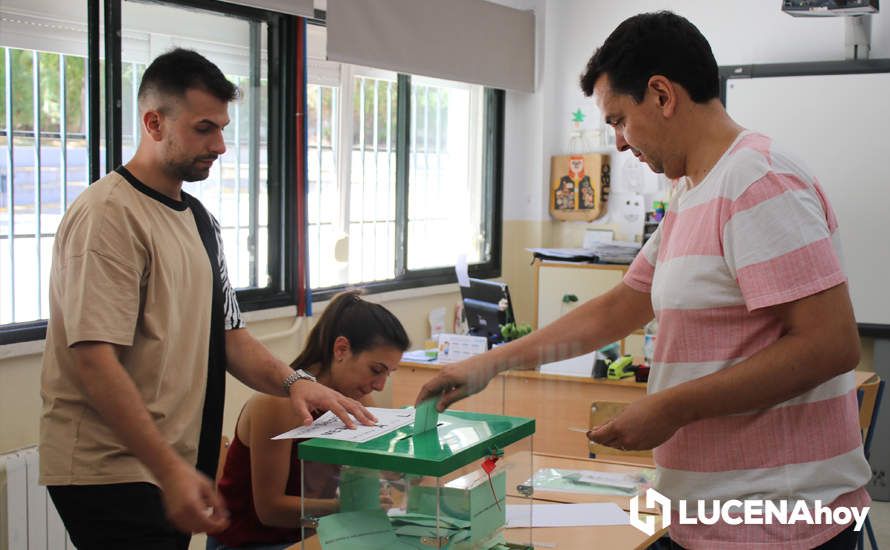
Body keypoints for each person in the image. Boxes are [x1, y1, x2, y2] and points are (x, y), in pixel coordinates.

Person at [417, 11, 870, 549]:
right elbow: (620, 307)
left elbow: (831, 345)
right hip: (705, 516)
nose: (620, 143)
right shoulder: (693, 190)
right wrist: (488, 364)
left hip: (780, 525)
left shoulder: (757, 181)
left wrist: (671, 407)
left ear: (661, 95)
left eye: (618, 120)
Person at [39, 48, 375, 550]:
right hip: (111, 468)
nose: (220, 144)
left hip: (163, 464)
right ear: (154, 123)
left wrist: (296, 383)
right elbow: (94, 362)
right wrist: (168, 468)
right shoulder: (108, 215)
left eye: (222, 128)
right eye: (203, 128)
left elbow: (229, 337)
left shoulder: (199, 220)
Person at [207, 289, 410, 549]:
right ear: (341, 349)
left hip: (307, 534)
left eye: (388, 374)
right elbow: (269, 510)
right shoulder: (278, 404)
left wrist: (404, 471)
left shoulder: (354, 399)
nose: (381, 386)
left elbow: (387, 466)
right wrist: (346, 507)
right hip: (251, 541)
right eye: (376, 370)